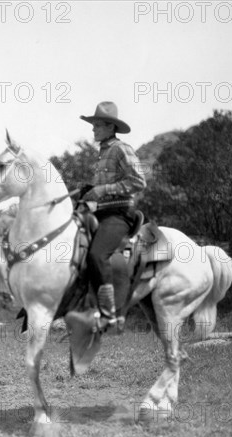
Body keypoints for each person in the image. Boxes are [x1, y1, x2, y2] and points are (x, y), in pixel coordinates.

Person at [79, 101, 147, 332]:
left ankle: (110, 314)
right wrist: (87, 191)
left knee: (97, 255)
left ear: (110, 127)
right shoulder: (102, 152)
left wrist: (103, 190)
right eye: (93, 125)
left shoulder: (121, 149)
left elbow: (138, 182)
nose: (93, 130)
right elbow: (103, 186)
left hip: (119, 214)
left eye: (97, 125)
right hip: (101, 212)